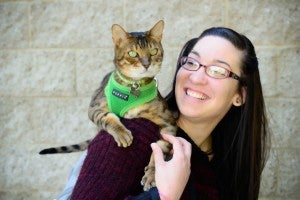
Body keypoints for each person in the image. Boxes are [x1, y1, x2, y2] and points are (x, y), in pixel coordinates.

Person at [58, 27, 269, 200]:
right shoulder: (131, 138)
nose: (196, 78)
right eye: (191, 62)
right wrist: (163, 196)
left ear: (240, 95)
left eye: (217, 71)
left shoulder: (227, 162)